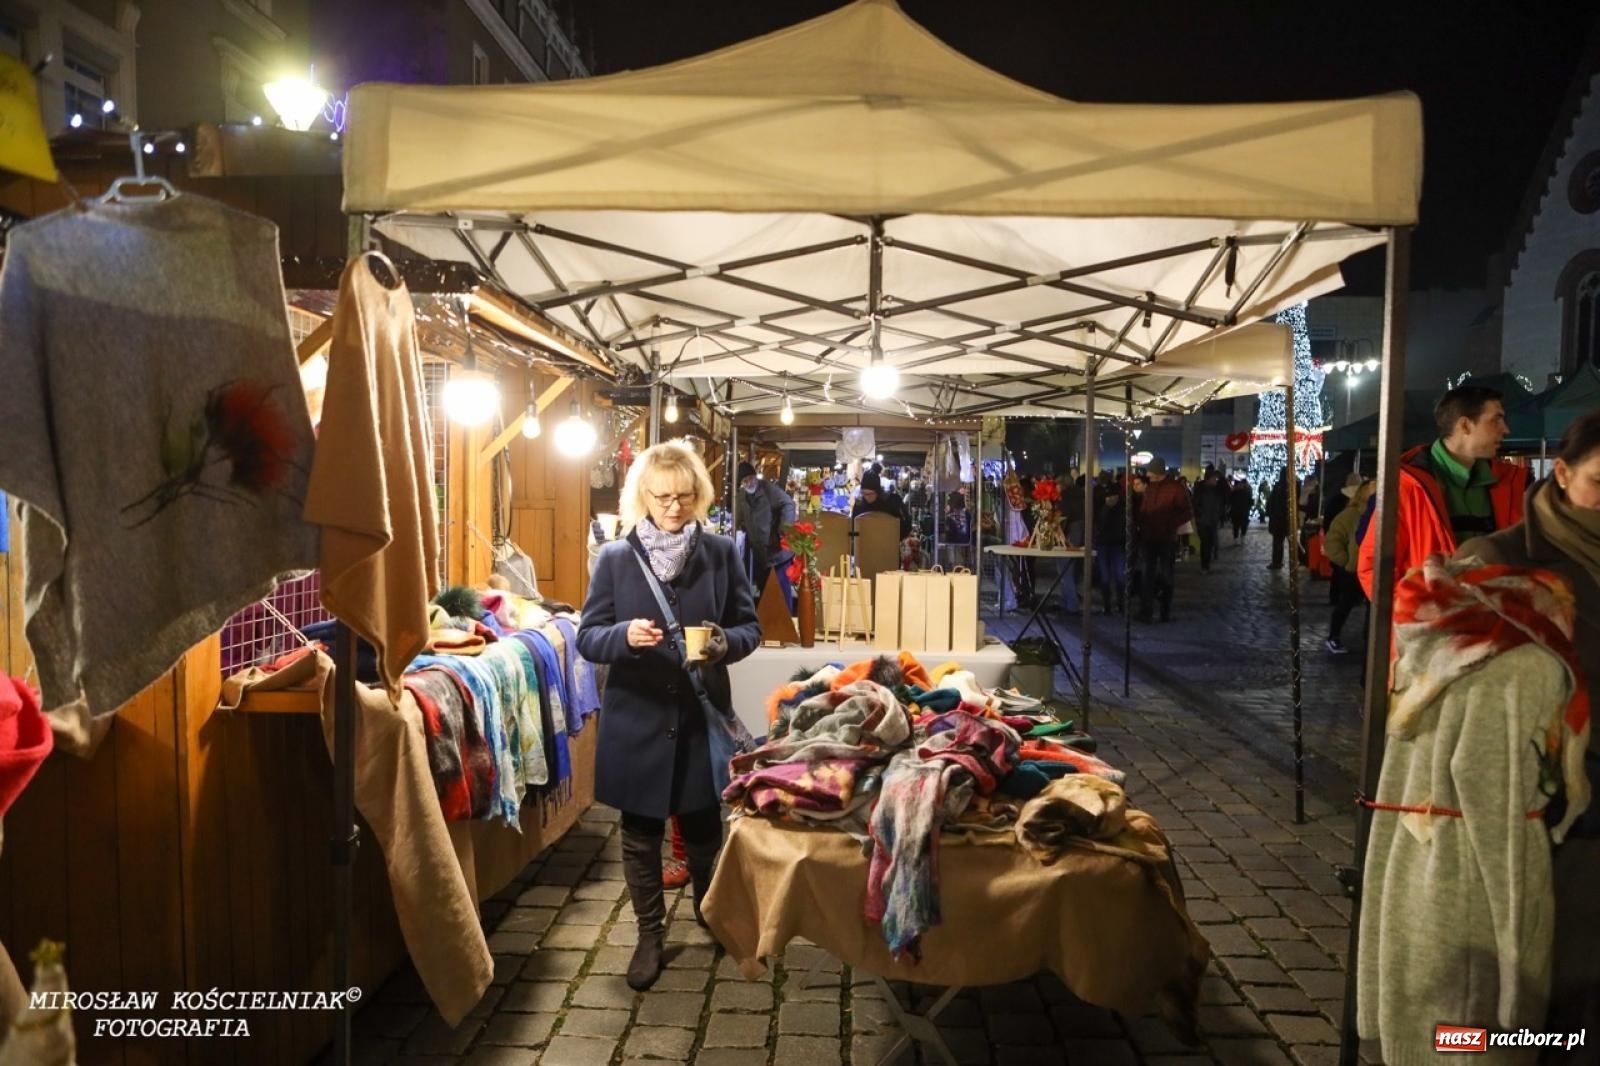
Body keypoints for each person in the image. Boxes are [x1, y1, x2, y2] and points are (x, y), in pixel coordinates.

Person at [576, 442, 762, 991]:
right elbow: (588, 636)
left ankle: (711, 915)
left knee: (705, 826)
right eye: (662, 497)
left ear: (698, 495)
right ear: (642, 496)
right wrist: (623, 637)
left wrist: (725, 642)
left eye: (684, 497)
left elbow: (749, 627)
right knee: (639, 834)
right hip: (637, 716)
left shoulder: (722, 552)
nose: (674, 508)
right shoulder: (613, 558)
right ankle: (649, 936)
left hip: (700, 714)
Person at [1456, 408, 1600, 1047]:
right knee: (1549, 1010)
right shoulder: (1501, 562)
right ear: (1562, 473)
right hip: (1555, 821)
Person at [1357, 384, 1526, 597]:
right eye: (1496, 419)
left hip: (1493, 623)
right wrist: (1417, 616)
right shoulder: (1406, 486)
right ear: (1465, 425)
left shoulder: (1511, 482)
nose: (1505, 429)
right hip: (1434, 626)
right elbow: (1373, 566)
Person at [1133, 457, 1192, 622]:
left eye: (1150, 471)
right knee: (1147, 575)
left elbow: (1187, 512)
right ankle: (1146, 611)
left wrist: (1170, 524)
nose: (1148, 475)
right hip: (1148, 537)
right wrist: (1140, 523)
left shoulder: (1176, 489)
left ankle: (1165, 611)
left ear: (1158, 472)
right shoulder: (1151, 488)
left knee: (1166, 575)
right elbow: (1145, 509)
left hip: (1166, 538)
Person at [1323, 474, 1374, 654]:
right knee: (1346, 604)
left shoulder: (1377, 515)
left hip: (1372, 570)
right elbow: (1332, 542)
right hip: (1354, 571)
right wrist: (1346, 561)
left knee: (1372, 607)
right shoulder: (1349, 515)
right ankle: (1333, 636)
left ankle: (1370, 640)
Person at [734, 460, 796, 599]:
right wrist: (737, 526)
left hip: (778, 552)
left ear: (755, 476)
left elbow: (788, 504)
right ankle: (766, 620)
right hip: (761, 554)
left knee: (781, 592)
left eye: (751, 478)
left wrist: (784, 528)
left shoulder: (769, 490)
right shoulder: (741, 497)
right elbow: (738, 517)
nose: (749, 483)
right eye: (745, 481)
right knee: (765, 593)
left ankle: (787, 620)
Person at [852, 468, 909, 537]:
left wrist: (895, 540)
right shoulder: (859, 504)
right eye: (864, 493)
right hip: (865, 544)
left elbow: (906, 524)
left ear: (878, 491)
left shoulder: (892, 501)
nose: (867, 497)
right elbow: (853, 527)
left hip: (888, 543)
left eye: (870, 494)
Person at [1193, 468, 1226, 573]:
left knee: (1211, 542)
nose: (1216, 480)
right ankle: (1205, 566)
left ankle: (1207, 562)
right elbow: (1195, 504)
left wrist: (1219, 514)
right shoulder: (1200, 489)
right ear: (1208, 479)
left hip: (1213, 520)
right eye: (1214, 478)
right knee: (1205, 543)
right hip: (1203, 521)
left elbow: (1225, 496)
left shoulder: (1217, 490)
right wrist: (1200, 515)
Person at [1267, 469, 1292, 570]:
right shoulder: (1291, 486)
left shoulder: (1278, 486)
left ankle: (1277, 562)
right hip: (1285, 519)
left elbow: (1271, 502)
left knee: (1278, 543)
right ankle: (1295, 560)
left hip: (1279, 519)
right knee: (1288, 542)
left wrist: (1270, 513)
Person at [1228, 476, 1254, 541]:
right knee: (1242, 525)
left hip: (1237, 511)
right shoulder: (1247, 492)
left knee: (1236, 526)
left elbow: (1230, 501)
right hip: (1243, 512)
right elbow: (1251, 502)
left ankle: (1237, 538)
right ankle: (1241, 537)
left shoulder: (1234, 492)